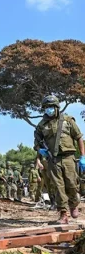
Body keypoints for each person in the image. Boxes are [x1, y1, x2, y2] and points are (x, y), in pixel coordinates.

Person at [34, 95, 85, 224]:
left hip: (69, 158)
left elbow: (79, 137)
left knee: (72, 184)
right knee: (58, 187)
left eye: (51, 107)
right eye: (46, 107)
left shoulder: (68, 121)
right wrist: (40, 150)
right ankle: (63, 213)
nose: (48, 109)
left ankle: (73, 205)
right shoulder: (41, 126)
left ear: (57, 108)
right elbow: (37, 143)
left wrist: (83, 156)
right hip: (53, 159)